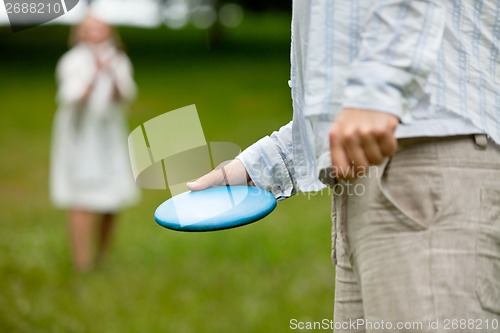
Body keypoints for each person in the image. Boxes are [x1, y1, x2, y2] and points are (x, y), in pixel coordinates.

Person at [187, 1, 500, 332]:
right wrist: (262, 166)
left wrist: (379, 89)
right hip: (378, 172)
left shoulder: (384, 90)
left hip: (424, 159)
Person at [50, 14, 139, 272]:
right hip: (81, 135)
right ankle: (82, 262)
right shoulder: (72, 61)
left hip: (109, 135)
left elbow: (125, 95)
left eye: (99, 28)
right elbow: (71, 97)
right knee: (82, 196)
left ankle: (103, 255)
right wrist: (94, 74)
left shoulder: (118, 59)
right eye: (89, 29)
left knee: (112, 198)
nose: (94, 34)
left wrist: (110, 74)